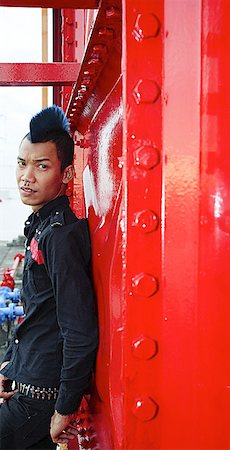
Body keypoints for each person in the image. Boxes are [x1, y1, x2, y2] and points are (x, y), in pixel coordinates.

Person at [0, 106, 99, 449]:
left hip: (40, 399)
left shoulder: (60, 236)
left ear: (67, 173)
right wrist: (10, 369)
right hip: (29, 384)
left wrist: (64, 408)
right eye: (21, 163)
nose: (26, 176)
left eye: (42, 166)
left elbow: (80, 331)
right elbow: (41, 318)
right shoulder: (41, 229)